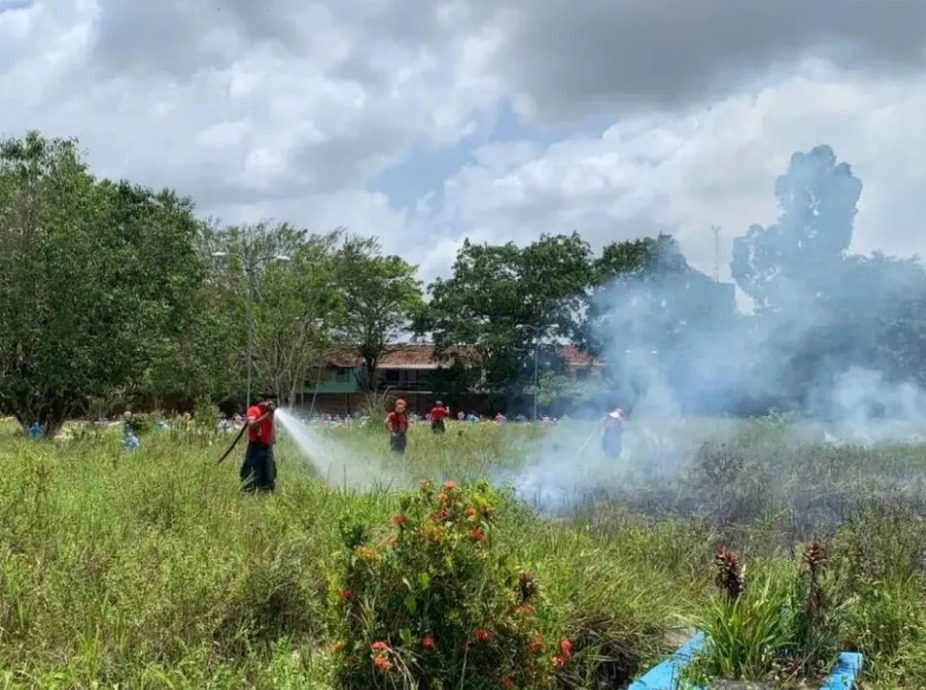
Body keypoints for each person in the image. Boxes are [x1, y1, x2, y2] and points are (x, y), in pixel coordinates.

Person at [241, 392, 277, 493]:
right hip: (255, 447)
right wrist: (265, 416)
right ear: (264, 401)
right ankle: (249, 493)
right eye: (269, 400)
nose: (271, 403)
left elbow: (272, 426)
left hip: (267, 447)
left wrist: (273, 438)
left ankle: (267, 492)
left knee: (269, 473)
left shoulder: (271, 413)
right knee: (252, 472)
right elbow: (251, 425)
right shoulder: (254, 410)